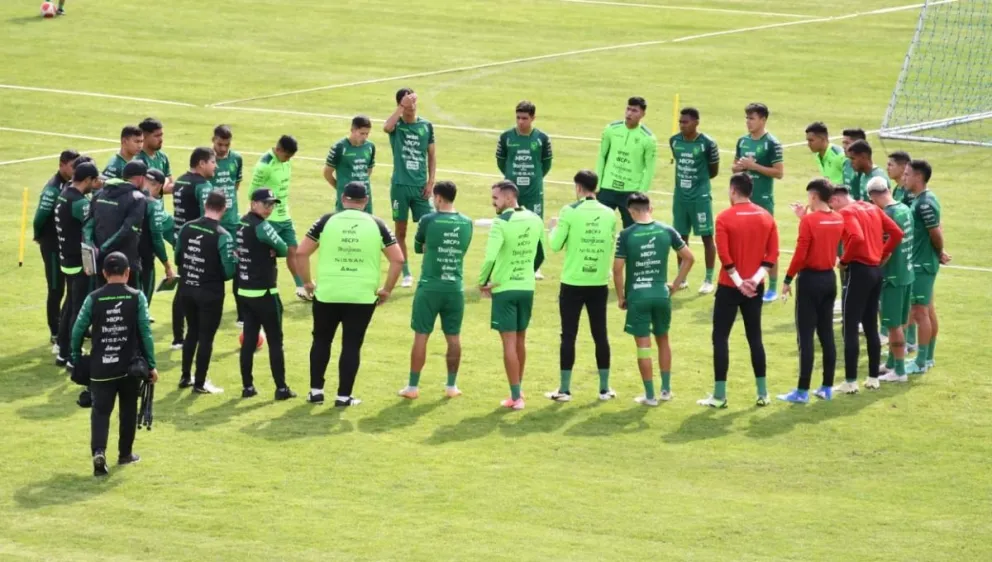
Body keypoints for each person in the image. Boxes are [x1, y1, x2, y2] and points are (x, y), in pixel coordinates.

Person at [298, 182, 404, 407]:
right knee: (351, 345)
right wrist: (387, 289)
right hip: (361, 296)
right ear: (365, 201)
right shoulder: (377, 224)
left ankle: (316, 392)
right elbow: (398, 259)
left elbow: (301, 252)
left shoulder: (326, 221)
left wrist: (307, 282)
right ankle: (343, 396)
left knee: (321, 341)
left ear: (343, 199)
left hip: (328, 293)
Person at [69, 252, 158, 476]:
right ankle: (125, 454)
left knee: (100, 412)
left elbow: (78, 329)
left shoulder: (93, 298)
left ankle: (99, 452)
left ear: (104, 273)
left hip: (100, 368)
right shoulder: (137, 297)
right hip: (129, 368)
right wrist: (152, 364)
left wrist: (76, 355)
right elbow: (145, 332)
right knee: (128, 411)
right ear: (128, 273)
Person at [698, 173, 779, 408]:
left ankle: (720, 395)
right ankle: (763, 393)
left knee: (720, 338)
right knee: (755, 338)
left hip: (728, 287)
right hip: (755, 288)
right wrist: (753, 281)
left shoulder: (724, 217)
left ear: (733, 191)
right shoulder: (766, 217)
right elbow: (771, 255)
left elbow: (723, 253)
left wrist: (738, 280)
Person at [613, 193, 694, 406]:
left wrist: (621, 296)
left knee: (643, 347)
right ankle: (666, 390)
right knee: (663, 340)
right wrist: (675, 285)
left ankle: (650, 396)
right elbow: (689, 258)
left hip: (638, 297)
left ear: (631, 212)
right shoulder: (666, 230)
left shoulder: (626, 234)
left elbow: (618, 268)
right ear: (651, 208)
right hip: (661, 295)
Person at [544, 170, 617, 402]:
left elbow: (555, 245)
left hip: (573, 282)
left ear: (578, 187)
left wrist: (553, 227)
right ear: (595, 188)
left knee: (569, 335)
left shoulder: (569, 211)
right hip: (598, 282)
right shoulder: (608, 214)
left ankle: (564, 390)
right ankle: (605, 389)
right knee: (600, 334)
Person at [398, 181, 473, 399]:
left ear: (438, 198)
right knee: (454, 338)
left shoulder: (428, 219)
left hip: (429, 287)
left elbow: (418, 246)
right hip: (454, 288)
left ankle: (412, 387)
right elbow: (462, 250)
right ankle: (451, 386)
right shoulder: (467, 223)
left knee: (421, 336)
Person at [829, 183, 903, 393]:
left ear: (835, 200)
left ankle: (850, 381)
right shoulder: (871, 207)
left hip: (859, 271)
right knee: (870, 325)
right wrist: (882, 253)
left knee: (850, 326)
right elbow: (896, 233)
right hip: (875, 272)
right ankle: (872, 378)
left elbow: (856, 237)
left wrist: (844, 260)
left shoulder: (846, 212)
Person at [478, 180, 546, 411]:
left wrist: (482, 282)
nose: (493, 203)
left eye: (495, 199)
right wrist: (528, 271)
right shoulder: (535, 219)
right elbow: (541, 253)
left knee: (508, 342)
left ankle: (516, 397)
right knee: (520, 340)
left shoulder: (501, 222)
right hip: (526, 287)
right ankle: (518, 389)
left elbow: (489, 257)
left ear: (508, 198)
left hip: (504, 288)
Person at [778, 179, 847, 403]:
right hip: (829, 279)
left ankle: (802, 390)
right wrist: (804, 217)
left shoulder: (808, 222)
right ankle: (826, 387)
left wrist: (787, 279)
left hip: (809, 280)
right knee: (826, 334)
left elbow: (800, 254)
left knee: (805, 336)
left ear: (814, 197)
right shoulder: (838, 218)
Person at [174, 190, 236, 394]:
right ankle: (200, 382)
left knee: (192, 332)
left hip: (186, 289)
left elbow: (177, 258)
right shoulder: (222, 236)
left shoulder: (186, 227)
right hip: (210, 293)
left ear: (205, 205)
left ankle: (185, 376)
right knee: (206, 337)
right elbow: (228, 272)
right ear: (224, 209)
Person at [236, 188, 295, 400]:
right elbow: (283, 248)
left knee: (249, 340)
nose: (269, 208)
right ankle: (281, 388)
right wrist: (271, 249)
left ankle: (247, 387)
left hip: (245, 290)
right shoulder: (262, 226)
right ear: (254, 204)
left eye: (272, 204)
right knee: (275, 341)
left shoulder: (241, 223)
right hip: (265, 292)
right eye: (265, 204)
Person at [384, 87, 437, 288]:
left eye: (414, 102)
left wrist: (431, 181)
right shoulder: (396, 126)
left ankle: (428, 271)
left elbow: (432, 155)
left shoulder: (426, 126)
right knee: (401, 230)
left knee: (430, 228)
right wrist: (400, 107)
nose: (412, 106)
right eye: (408, 103)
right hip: (400, 186)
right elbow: (386, 127)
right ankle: (405, 273)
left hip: (420, 186)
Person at [902, 159, 950, 375]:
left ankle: (921, 361)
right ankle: (928, 357)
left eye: (907, 174)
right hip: (923, 261)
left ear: (918, 178)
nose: (904, 178)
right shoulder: (921, 199)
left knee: (920, 313)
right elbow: (936, 227)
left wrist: (939, 252)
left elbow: (935, 231)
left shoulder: (924, 203)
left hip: (922, 264)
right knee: (928, 311)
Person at [733, 103, 784, 302]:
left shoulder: (772, 143)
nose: (748, 122)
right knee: (742, 243)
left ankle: (772, 287)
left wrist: (753, 166)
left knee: (767, 246)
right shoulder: (742, 141)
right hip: (742, 201)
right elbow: (734, 167)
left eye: (752, 118)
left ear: (763, 120)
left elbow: (779, 172)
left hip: (763, 202)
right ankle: (743, 281)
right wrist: (740, 167)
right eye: (746, 118)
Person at [866, 177, 915, 384]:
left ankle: (900, 371)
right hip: (907, 274)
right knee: (901, 324)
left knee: (893, 326)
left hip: (892, 277)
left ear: (873, 196)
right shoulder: (904, 208)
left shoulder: (887, 215)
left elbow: (885, 250)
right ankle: (892, 364)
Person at [496, 100, 553, 279]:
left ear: (533, 118)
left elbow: (546, 164)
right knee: (508, 227)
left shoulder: (542, 139)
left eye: (525, 118)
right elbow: (501, 161)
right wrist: (511, 178)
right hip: (510, 193)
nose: (521, 122)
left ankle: (534, 266)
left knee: (535, 227)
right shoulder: (506, 137)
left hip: (534, 191)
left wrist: (534, 178)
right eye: (518, 118)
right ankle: (507, 262)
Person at [170, 147, 217, 349]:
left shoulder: (179, 181)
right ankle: (192, 335)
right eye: (212, 162)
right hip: (198, 243)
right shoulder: (203, 186)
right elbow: (207, 218)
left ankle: (178, 337)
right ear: (201, 163)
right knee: (196, 289)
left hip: (181, 240)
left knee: (183, 287)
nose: (215, 166)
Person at [54, 162, 99, 368]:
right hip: (78, 262)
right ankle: (73, 356)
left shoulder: (64, 194)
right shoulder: (80, 203)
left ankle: (63, 352)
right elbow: (92, 226)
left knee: (69, 307)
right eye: (94, 181)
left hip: (66, 260)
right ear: (87, 180)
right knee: (77, 311)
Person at [250, 135, 306, 299]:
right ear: (279, 150)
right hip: (269, 218)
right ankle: (266, 288)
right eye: (287, 156)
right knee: (268, 256)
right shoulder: (264, 165)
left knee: (293, 251)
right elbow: (252, 193)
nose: (288, 160)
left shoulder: (286, 161)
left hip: (284, 216)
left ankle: (301, 287)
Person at [670, 107, 719, 293]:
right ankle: (681, 279)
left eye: (686, 122)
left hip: (700, 198)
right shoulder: (674, 141)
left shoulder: (707, 143)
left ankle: (708, 279)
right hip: (680, 197)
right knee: (680, 237)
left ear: (696, 122)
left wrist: (699, 184)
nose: (682, 125)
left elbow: (713, 170)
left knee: (707, 237)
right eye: (680, 122)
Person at [33, 149, 77, 349]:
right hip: (51, 245)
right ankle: (55, 331)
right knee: (55, 287)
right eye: (72, 166)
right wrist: (39, 235)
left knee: (72, 287)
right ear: (62, 165)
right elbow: (40, 216)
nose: (75, 170)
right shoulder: (53, 189)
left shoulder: (71, 184)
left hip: (65, 244)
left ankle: (68, 327)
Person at [85, 161, 149, 289]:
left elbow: (88, 224)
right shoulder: (138, 198)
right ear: (141, 178)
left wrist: (90, 248)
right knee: (131, 304)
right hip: (127, 263)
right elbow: (127, 229)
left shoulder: (99, 194)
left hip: (100, 262)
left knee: (102, 301)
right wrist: (105, 248)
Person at [595, 96, 657, 228]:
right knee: (599, 227)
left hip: (630, 191)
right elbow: (601, 155)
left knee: (632, 230)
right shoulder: (611, 129)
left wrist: (641, 192)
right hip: (607, 188)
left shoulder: (648, 138)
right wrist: (598, 184)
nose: (629, 113)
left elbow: (650, 168)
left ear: (643, 114)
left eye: (634, 111)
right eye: (628, 109)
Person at [209, 126, 244, 323]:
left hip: (232, 221)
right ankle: (213, 309)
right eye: (219, 144)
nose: (222, 148)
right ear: (213, 140)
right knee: (214, 266)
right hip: (214, 222)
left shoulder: (236, 159)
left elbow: (235, 184)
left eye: (227, 145)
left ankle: (241, 314)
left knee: (238, 264)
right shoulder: (207, 159)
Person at [136, 168, 175, 308]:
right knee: (143, 298)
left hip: (125, 255)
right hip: (145, 258)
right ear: (159, 186)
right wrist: (167, 266)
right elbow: (157, 238)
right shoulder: (153, 204)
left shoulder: (128, 196)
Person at [324, 115, 376, 213]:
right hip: (347, 199)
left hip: (365, 197)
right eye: (361, 133)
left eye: (367, 134)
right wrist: (340, 188)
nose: (364, 137)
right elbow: (327, 173)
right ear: (352, 130)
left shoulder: (370, 147)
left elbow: (368, 170)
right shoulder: (339, 147)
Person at [135, 118, 173, 193]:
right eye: (157, 136)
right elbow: (144, 189)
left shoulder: (162, 157)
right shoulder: (137, 160)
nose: (161, 139)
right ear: (144, 136)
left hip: (158, 205)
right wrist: (164, 183)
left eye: (161, 135)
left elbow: (170, 183)